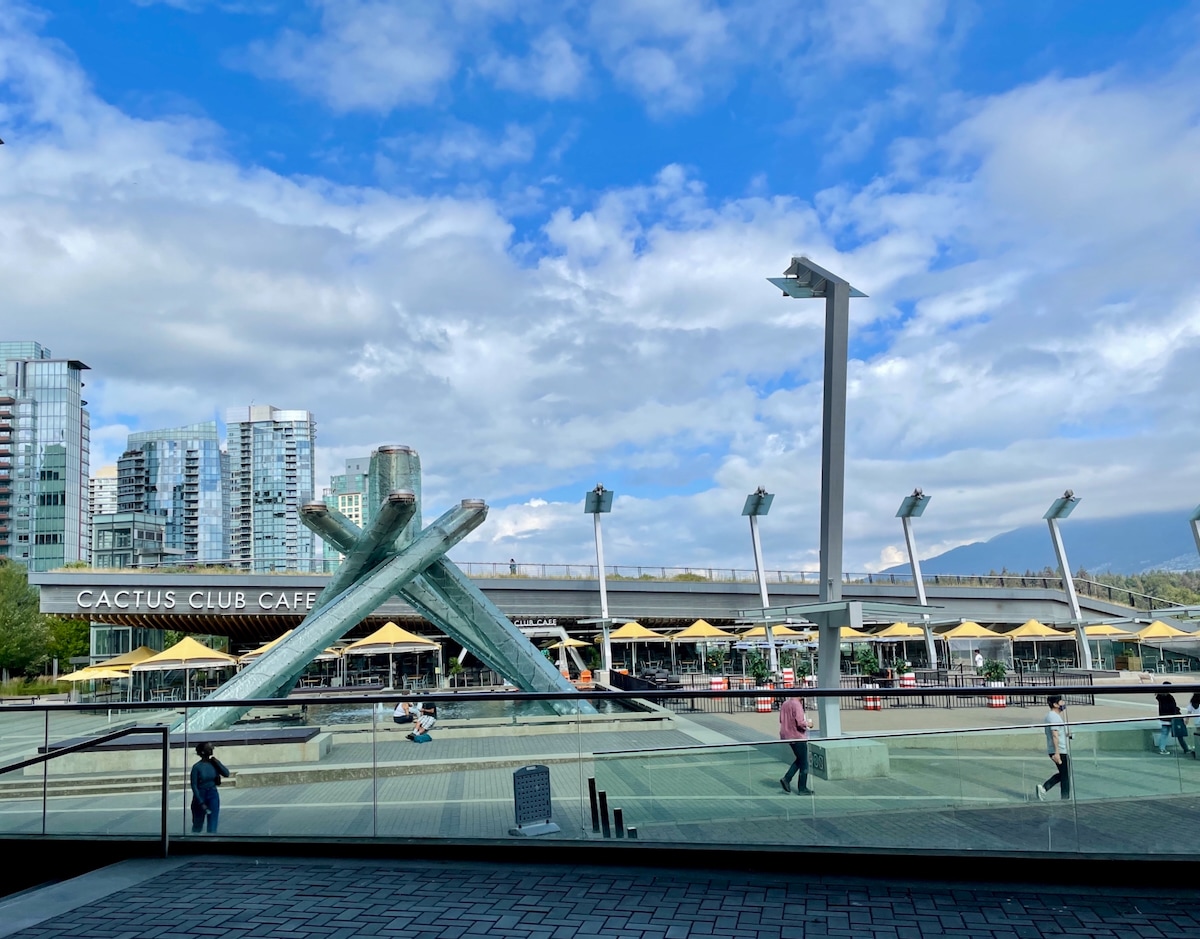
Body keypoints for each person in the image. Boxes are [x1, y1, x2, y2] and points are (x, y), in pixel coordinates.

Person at [190, 742, 231, 833]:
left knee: (213, 823)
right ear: (203, 752)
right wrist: (201, 802)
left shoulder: (213, 763)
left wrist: (217, 763)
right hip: (201, 794)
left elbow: (226, 773)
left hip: (212, 794)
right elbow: (194, 785)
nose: (212, 749)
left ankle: (211, 839)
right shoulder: (197, 767)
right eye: (209, 748)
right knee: (198, 824)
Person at [1035, 694, 1070, 801]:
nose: (1063, 703)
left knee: (1065, 774)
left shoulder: (1053, 716)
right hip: (1059, 750)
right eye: (1061, 701)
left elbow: (1058, 733)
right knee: (1065, 776)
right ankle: (1064, 798)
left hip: (1058, 749)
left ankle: (1045, 788)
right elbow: (1054, 735)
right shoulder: (1053, 716)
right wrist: (1057, 753)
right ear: (1055, 704)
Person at [778, 695, 814, 795]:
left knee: (800, 759)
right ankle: (801, 788)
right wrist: (808, 724)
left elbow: (781, 719)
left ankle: (787, 779)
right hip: (797, 736)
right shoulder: (797, 705)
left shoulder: (785, 704)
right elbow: (800, 722)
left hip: (787, 735)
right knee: (804, 763)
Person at [1155, 683, 1192, 756]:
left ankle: (1162, 748)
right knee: (1179, 734)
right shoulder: (1169, 697)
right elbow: (1172, 708)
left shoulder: (1160, 697)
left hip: (1163, 718)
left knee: (1164, 734)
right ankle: (1185, 748)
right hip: (1172, 718)